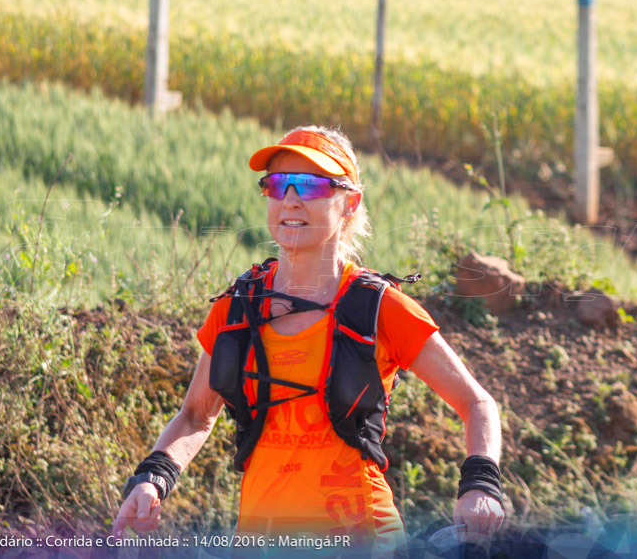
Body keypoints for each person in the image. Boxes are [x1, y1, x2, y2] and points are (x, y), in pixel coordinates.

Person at [113, 126, 505, 556]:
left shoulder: (380, 308)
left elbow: (477, 403)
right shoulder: (237, 309)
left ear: (350, 203)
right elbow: (194, 417)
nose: (292, 200)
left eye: (315, 185)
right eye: (279, 184)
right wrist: (152, 478)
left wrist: (480, 484)